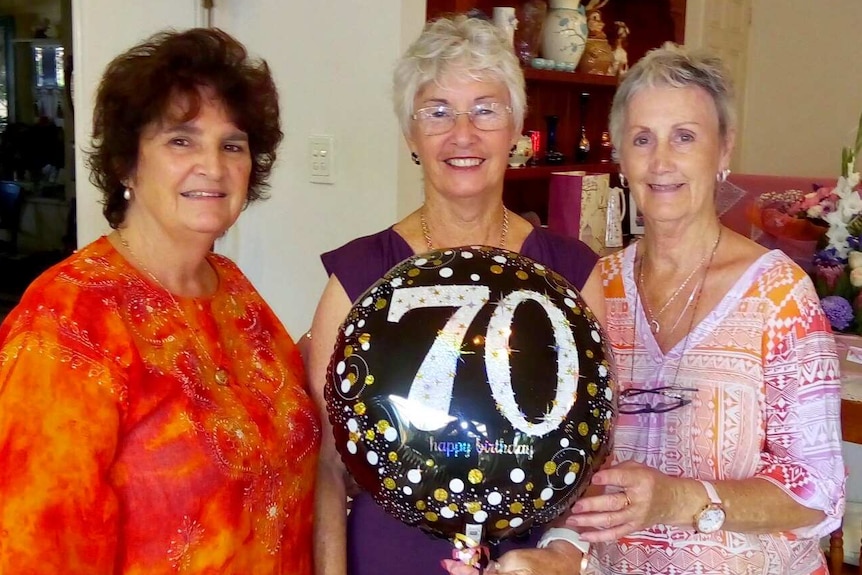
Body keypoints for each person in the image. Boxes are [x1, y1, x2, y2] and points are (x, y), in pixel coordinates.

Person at [453, 43, 846, 575]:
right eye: (643, 139)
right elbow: (575, 468)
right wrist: (557, 556)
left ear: (724, 149)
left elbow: (820, 494)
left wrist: (679, 500)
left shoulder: (779, 295)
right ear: (621, 155)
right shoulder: (593, 290)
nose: (661, 161)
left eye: (685, 137)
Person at [0, 28, 320, 574]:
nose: (213, 166)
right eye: (181, 140)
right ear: (127, 163)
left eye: (232, 144)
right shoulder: (67, 320)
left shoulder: (233, 289)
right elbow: (38, 550)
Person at [307, 14, 605, 575]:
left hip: (531, 560)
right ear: (410, 135)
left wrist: (564, 556)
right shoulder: (358, 277)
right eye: (437, 112)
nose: (462, 134)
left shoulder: (571, 274)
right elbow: (326, 462)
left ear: (516, 126)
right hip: (389, 554)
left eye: (485, 109)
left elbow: (595, 445)